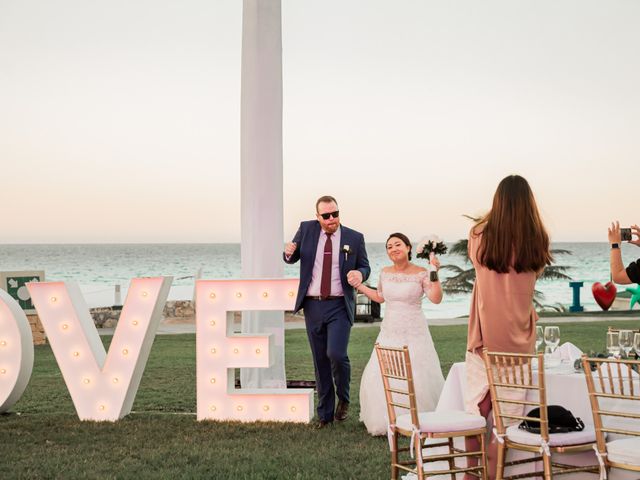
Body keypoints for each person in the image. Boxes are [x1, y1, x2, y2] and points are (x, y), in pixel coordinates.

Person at [464, 175, 552, 479]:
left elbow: (477, 263)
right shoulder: (537, 240)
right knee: (503, 430)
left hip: (484, 337)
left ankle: (470, 475)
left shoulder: (478, 235)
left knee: (474, 417)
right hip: (518, 343)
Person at [283, 195, 370, 428]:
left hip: (339, 305)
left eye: (336, 214)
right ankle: (325, 415)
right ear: (317, 216)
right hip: (313, 305)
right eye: (326, 216)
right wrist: (288, 252)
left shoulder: (354, 237)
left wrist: (360, 274)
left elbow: (365, 265)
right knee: (320, 360)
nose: (332, 219)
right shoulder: (306, 230)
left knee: (336, 354)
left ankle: (344, 397)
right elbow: (291, 258)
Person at [356, 232, 445, 436]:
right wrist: (360, 286)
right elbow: (380, 297)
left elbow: (436, 298)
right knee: (384, 372)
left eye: (398, 244)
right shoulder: (385, 272)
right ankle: (386, 418)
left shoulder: (422, 272)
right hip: (389, 331)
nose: (393, 249)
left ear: (408, 248)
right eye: (389, 246)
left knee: (417, 373)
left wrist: (434, 271)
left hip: (415, 331)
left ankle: (419, 418)